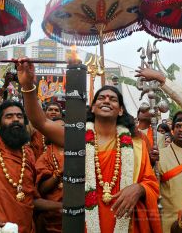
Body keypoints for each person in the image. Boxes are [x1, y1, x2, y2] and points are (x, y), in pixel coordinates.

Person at [16, 58, 162, 233]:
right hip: (86, 222)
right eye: (101, 98)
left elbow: (151, 183)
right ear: (92, 108)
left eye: (113, 99)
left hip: (128, 222)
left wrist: (139, 188)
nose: (107, 101)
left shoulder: (136, 143)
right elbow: (41, 122)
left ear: (121, 110)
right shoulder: (77, 137)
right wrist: (27, 86)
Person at [0, 100, 62, 232]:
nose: (16, 119)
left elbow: (30, 198)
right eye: (9, 116)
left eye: (20, 116)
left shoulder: (29, 154)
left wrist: (60, 206)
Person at [158, 113, 182, 233]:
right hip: (169, 223)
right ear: (172, 130)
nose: (181, 129)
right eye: (178, 126)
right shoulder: (159, 156)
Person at [35, 117, 65, 233]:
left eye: (63, 127)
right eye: (55, 127)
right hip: (53, 217)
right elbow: (41, 190)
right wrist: (59, 173)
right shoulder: (45, 157)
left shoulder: (81, 151)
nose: (60, 130)